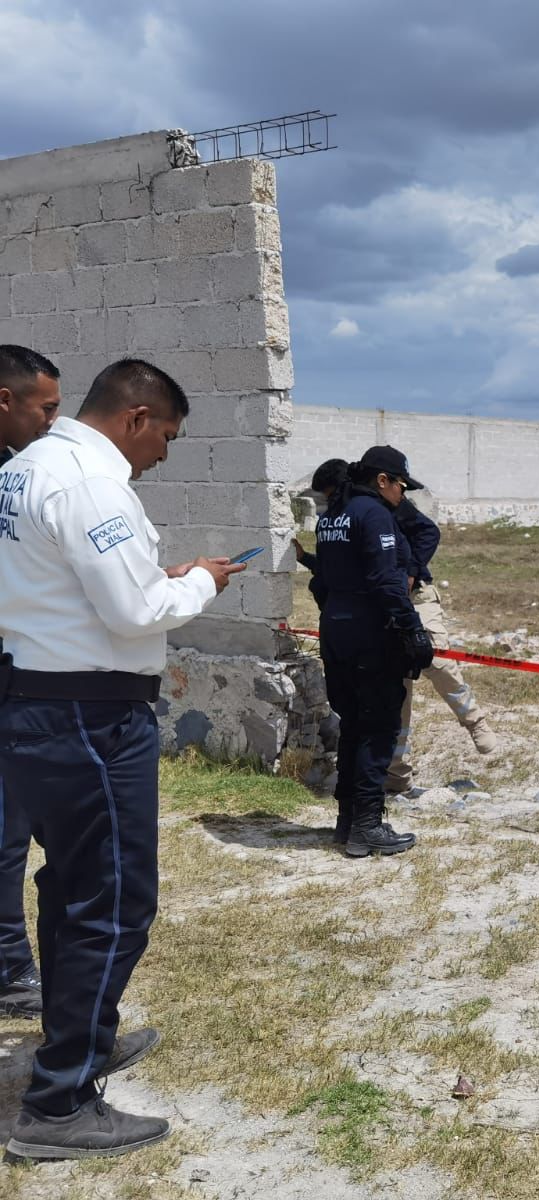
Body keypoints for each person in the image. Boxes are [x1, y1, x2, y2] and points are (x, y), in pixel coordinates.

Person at [0, 358, 244, 1159]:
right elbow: (137, 610)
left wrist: (150, 583)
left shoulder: (26, 469)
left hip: (42, 698)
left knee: (71, 887)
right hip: (89, 717)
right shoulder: (89, 483)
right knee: (111, 902)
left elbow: (78, 588)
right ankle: (61, 1104)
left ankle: (82, 1041)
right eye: (166, 436)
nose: (165, 454)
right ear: (137, 417)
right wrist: (200, 583)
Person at [315, 446, 434, 856]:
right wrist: (413, 630)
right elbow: (386, 581)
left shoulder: (332, 514)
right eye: (401, 484)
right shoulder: (375, 513)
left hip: (335, 628)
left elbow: (324, 579)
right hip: (370, 632)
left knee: (352, 725)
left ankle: (347, 821)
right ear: (382, 480)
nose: (403, 493)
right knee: (379, 727)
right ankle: (367, 825)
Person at [0, 345, 62, 1022]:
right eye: (46, 407)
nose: (52, 420)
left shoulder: (15, 475)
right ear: (5, 400)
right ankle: (12, 969)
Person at [385, 491, 498, 798]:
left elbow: (428, 532)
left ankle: (475, 722)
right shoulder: (357, 510)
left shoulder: (393, 504)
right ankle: (397, 774)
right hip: (384, 601)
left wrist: (410, 571)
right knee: (397, 688)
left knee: (435, 659)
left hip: (416, 596)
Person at [293, 458, 348, 612]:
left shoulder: (367, 516)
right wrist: (303, 557)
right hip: (330, 609)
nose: (329, 501)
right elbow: (327, 566)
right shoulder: (326, 520)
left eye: (330, 495)